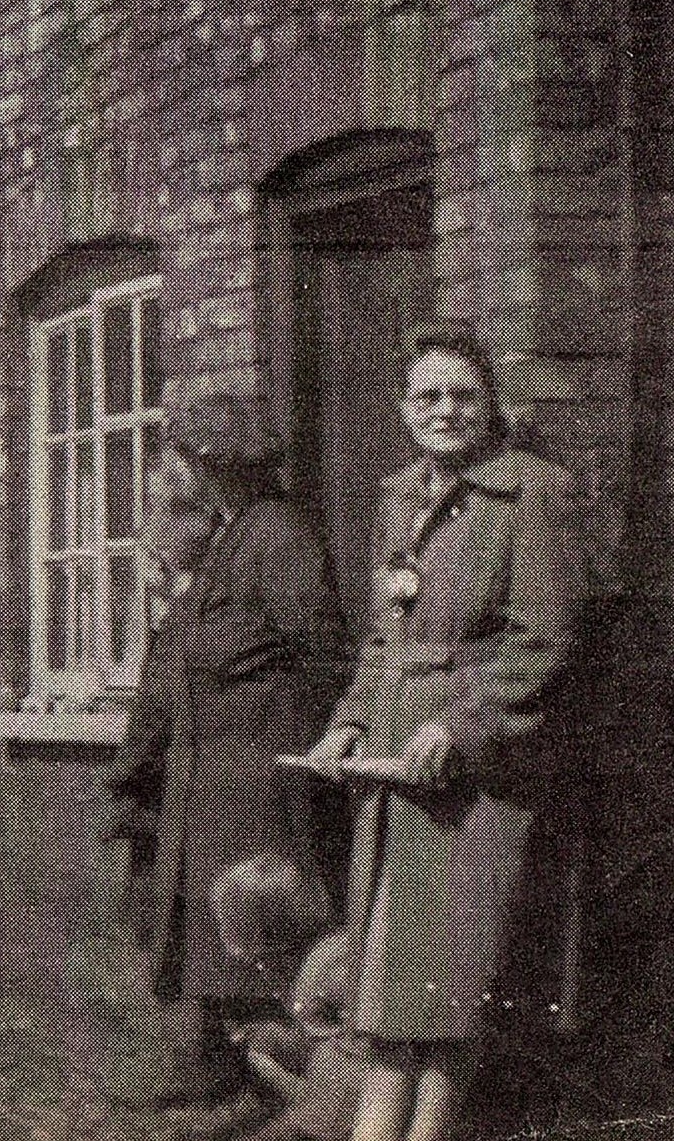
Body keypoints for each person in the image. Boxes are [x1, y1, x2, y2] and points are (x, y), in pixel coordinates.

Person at [303, 323, 594, 1141]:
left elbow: (545, 641)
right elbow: (383, 640)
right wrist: (348, 725)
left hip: (475, 783)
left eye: (463, 395)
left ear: (490, 404)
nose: (446, 411)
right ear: (403, 407)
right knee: (396, 990)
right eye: (428, 395)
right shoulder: (400, 497)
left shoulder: (534, 494)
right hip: (395, 777)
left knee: (446, 991)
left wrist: (462, 729)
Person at [106, 395, 347, 1109]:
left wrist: (292, 737)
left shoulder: (278, 538)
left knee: (258, 924)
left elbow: (328, 657)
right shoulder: (239, 534)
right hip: (214, 769)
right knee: (212, 926)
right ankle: (216, 1069)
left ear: (214, 466)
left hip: (259, 769)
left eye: (187, 458)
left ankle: (268, 1085)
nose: (182, 471)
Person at [208, 850, 369, 1141]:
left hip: (349, 1110)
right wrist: (281, 1039)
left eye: (258, 962)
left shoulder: (319, 972)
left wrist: (269, 1068)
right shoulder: (331, 953)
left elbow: (333, 1080)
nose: (262, 972)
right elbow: (325, 1035)